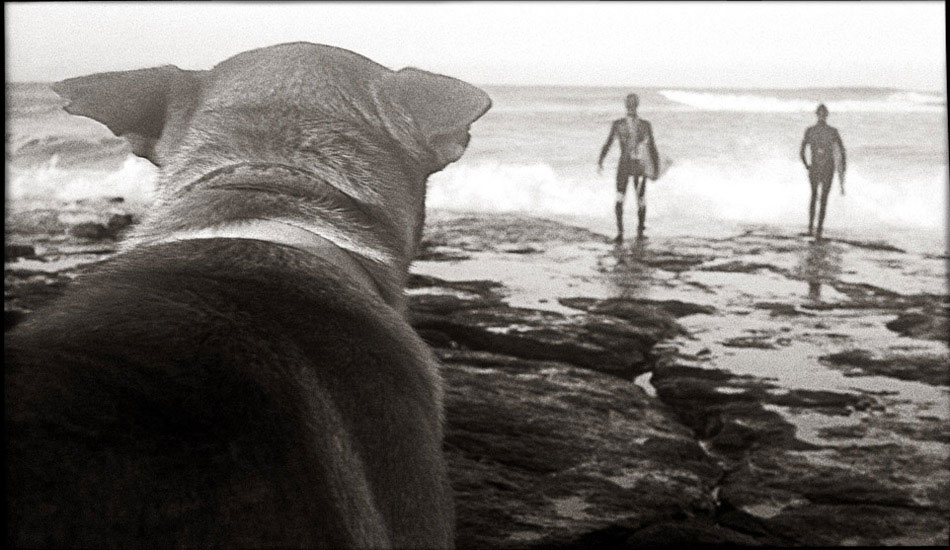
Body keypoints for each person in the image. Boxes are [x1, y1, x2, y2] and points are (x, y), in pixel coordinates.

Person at [598, 93, 660, 243]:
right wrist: (656, 167)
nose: (631, 106)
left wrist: (601, 160)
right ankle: (634, 233)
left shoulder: (620, 124)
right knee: (633, 199)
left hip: (629, 165)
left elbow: (608, 144)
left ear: (628, 105)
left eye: (632, 103)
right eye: (630, 103)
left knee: (630, 198)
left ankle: (624, 233)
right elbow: (652, 148)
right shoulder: (643, 125)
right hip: (634, 166)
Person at [799, 103, 846, 240]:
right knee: (823, 199)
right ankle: (819, 230)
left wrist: (807, 165)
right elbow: (842, 153)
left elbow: (802, 151)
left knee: (814, 196)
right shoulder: (833, 131)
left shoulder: (810, 131)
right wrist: (842, 173)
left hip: (814, 168)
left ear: (816, 114)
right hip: (828, 168)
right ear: (827, 115)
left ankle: (810, 228)